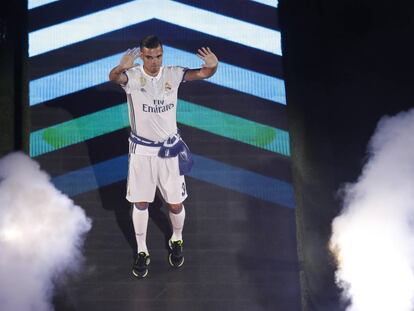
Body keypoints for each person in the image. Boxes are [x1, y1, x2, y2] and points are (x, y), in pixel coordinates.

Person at [109, 35, 218, 278]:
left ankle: (177, 238)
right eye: (149, 57)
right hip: (141, 152)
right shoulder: (134, 77)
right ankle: (142, 250)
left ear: (162, 54)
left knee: (175, 203)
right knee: (140, 202)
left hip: (169, 152)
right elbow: (115, 78)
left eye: (158, 56)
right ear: (142, 55)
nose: (155, 61)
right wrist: (120, 67)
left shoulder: (173, 74)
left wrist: (213, 66)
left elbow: (202, 74)